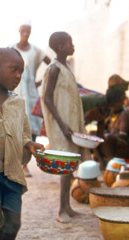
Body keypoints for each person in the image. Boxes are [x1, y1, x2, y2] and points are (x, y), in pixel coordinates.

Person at [0, 48, 44, 240]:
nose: (18, 76)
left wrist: (30, 145)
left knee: (13, 226)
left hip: (12, 173)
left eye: (21, 71)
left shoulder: (18, 103)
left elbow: (24, 133)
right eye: (14, 69)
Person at [41, 31, 90, 223]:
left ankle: (68, 207)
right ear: (61, 47)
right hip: (62, 124)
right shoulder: (53, 69)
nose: (73, 45)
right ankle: (61, 210)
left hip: (70, 123)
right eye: (70, 43)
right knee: (64, 165)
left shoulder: (66, 66)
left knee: (69, 166)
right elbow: (47, 97)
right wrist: (61, 124)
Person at [11, 21, 51, 177]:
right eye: (23, 30)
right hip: (15, 91)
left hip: (31, 94)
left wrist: (41, 82)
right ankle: (14, 163)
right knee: (14, 124)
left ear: (31, 32)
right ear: (19, 31)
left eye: (28, 31)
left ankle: (25, 165)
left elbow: (51, 64)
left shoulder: (36, 51)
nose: (25, 33)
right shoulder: (11, 48)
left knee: (29, 128)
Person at [98, 87, 129, 164]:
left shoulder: (124, 114)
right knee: (95, 137)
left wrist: (107, 136)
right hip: (115, 144)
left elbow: (123, 136)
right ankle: (103, 162)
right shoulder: (112, 115)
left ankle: (113, 163)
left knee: (108, 138)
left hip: (128, 147)